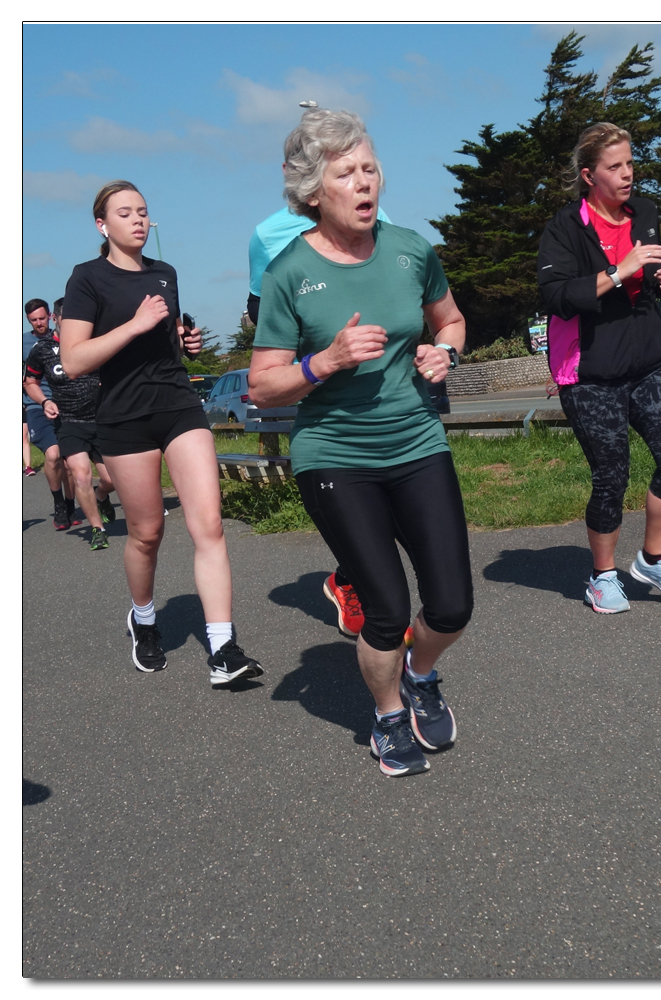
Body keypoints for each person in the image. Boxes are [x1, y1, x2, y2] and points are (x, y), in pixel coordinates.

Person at [250, 108, 472, 776]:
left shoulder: (411, 250)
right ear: (314, 191)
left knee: (453, 604)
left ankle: (421, 674)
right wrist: (326, 361)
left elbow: (453, 320)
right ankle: (386, 717)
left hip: (416, 442)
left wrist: (445, 355)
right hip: (336, 456)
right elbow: (262, 388)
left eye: (369, 167)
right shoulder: (289, 274)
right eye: (346, 172)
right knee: (386, 608)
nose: (363, 180)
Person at [59, 180, 263, 686]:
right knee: (148, 533)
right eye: (125, 213)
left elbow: (164, 342)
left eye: (144, 212)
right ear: (102, 225)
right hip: (125, 416)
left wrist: (184, 341)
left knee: (208, 525)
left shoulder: (165, 273)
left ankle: (222, 648)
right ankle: (144, 620)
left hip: (177, 406)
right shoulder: (87, 279)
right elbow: (73, 359)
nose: (138, 220)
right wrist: (134, 324)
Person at [537, 122, 661, 614]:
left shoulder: (644, 212)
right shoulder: (564, 227)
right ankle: (602, 575)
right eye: (615, 166)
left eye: (630, 163)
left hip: (648, 361)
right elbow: (557, 296)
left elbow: (647, 277)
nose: (627, 174)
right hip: (590, 373)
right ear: (589, 175)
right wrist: (620, 270)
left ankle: (654, 559)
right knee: (612, 474)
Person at [247, 199, 391, 641]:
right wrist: (318, 353)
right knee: (357, 496)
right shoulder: (267, 234)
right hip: (322, 385)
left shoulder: (375, 215)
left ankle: (350, 578)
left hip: (381, 378)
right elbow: (261, 312)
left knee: (394, 501)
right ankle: (358, 585)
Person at [24, 297, 117, 550]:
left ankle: (101, 495)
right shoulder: (42, 349)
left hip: (101, 418)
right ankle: (97, 529)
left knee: (112, 478)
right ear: (57, 318)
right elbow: (30, 381)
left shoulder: (97, 342)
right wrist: (44, 401)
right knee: (80, 475)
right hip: (69, 422)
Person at [23, 299, 78, 528]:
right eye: (34, 320)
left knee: (70, 461)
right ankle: (59, 505)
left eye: (42, 318)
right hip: (37, 406)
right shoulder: (23, 343)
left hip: (67, 405)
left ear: (51, 317)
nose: (39, 324)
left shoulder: (66, 340)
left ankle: (70, 504)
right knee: (54, 455)